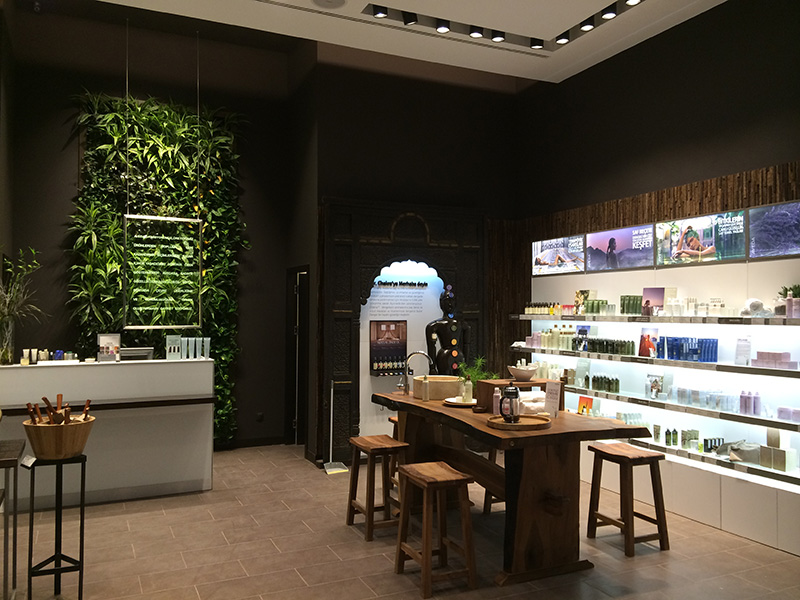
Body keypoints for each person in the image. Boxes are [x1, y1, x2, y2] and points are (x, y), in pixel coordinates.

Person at [425, 285, 470, 375]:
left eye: (452, 301)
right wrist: (432, 367)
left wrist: (467, 364)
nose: (450, 304)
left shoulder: (463, 325)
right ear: (441, 303)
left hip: (459, 358)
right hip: (444, 359)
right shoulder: (434, 326)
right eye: (447, 301)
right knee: (445, 381)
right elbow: (431, 348)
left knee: (460, 381)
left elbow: (467, 344)